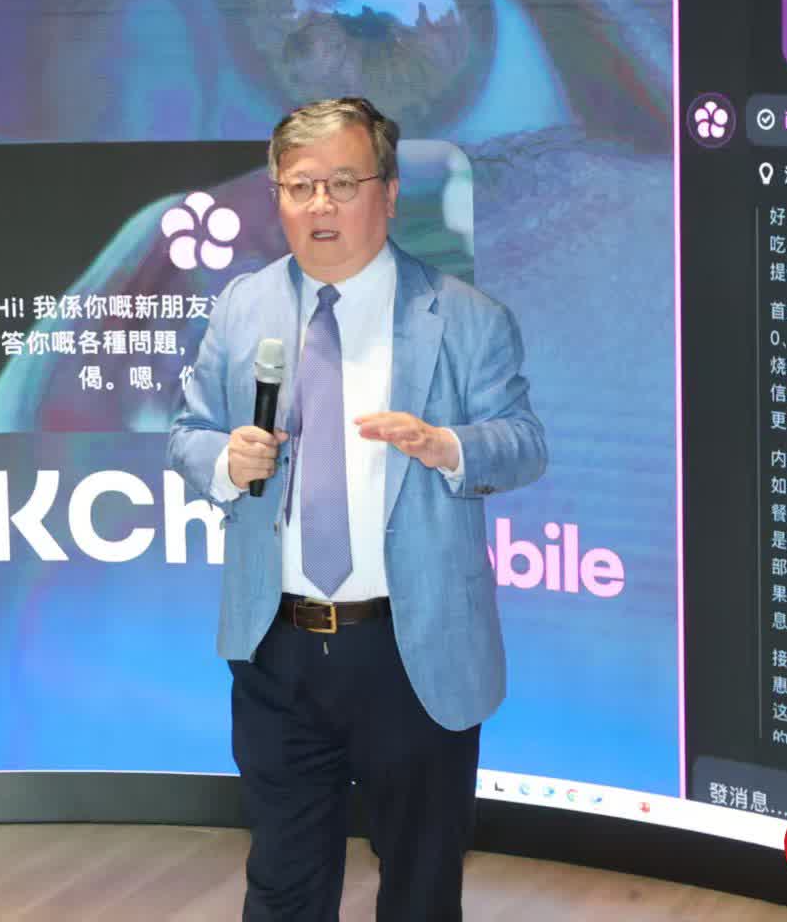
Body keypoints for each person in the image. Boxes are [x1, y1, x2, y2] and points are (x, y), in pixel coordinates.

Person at [168, 97, 548, 921]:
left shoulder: (464, 318)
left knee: (420, 888)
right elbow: (187, 434)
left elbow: (524, 443)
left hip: (413, 650)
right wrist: (226, 462)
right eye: (300, 185)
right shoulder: (241, 308)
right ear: (277, 195)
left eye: (344, 183)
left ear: (390, 191)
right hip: (278, 646)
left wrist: (447, 446)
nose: (321, 205)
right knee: (282, 885)